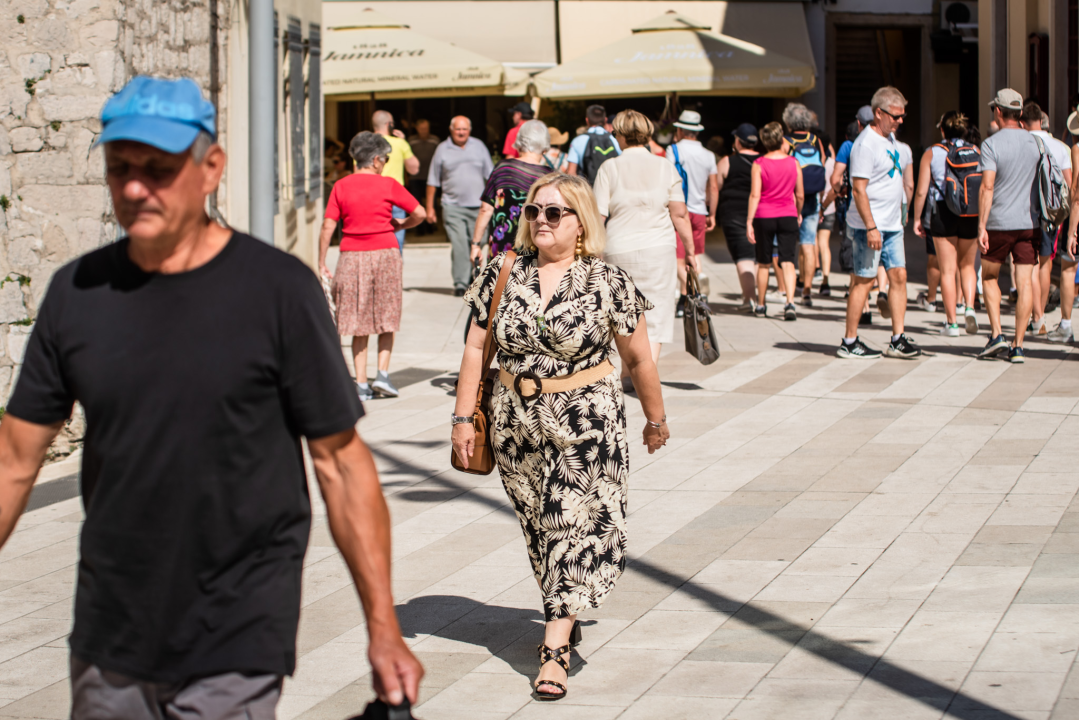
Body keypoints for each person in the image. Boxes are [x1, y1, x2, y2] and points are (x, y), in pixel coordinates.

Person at [0, 76, 423, 718]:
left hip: (238, 625)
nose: (136, 188)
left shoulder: (277, 291)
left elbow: (340, 463)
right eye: (120, 170)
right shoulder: (77, 294)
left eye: (159, 169)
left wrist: (383, 626)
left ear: (211, 169)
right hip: (111, 625)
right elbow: (13, 460)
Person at [452, 173, 669, 702]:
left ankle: (553, 651)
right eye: (534, 211)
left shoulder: (607, 280)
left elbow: (638, 357)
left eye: (554, 213)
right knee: (537, 523)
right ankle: (563, 603)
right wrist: (462, 419)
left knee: (566, 520)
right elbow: (476, 349)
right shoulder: (502, 270)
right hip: (513, 420)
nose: (541, 221)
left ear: (580, 222)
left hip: (586, 420)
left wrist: (656, 419)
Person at [593, 110, 696, 389]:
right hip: (658, 249)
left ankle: (629, 374)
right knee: (657, 315)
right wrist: (690, 251)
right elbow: (679, 214)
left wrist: (592, 253)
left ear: (621, 136)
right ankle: (645, 377)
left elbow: (598, 216)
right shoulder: (666, 167)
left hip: (618, 248)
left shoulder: (609, 168)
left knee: (624, 313)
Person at [320, 132, 426, 400]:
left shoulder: (341, 186)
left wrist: (321, 261)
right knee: (386, 314)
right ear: (377, 160)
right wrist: (402, 224)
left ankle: (361, 384)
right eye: (386, 158)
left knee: (358, 321)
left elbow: (328, 226)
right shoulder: (388, 185)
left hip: (352, 256)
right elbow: (420, 213)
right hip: (386, 253)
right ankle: (383, 376)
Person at [839, 86, 921, 360]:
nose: (900, 121)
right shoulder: (865, 144)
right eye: (895, 116)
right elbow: (859, 189)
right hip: (868, 226)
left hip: (892, 225)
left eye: (902, 116)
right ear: (878, 113)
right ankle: (849, 341)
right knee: (864, 280)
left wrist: (903, 211)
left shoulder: (892, 141)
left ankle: (897, 338)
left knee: (899, 276)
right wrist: (871, 227)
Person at [976, 88, 1042, 363]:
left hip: (999, 223)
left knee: (989, 276)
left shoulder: (992, 144)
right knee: (1025, 282)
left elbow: (987, 186)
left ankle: (996, 334)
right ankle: (1018, 346)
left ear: (999, 112)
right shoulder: (1037, 143)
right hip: (1029, 223)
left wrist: (981, 225)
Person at [913, 112, 981, 337]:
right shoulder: (976, 152)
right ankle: (969, 307)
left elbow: (922, 190)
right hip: (971, 212)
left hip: (943, 212)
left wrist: (917, 219)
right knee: (968, 266)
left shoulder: (932, 153)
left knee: (948, 270)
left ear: (942, 130)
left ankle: (951, 324)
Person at [426, 116, 494, 296]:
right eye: (458, 129)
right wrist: (430, 208)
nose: (461, 132)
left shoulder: (479, 146)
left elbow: (491, 176)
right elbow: (432, 180)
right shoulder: (442, 149)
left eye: (464, 129)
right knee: (460, 245)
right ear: (451, 130)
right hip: (452, 206)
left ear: (469, 130)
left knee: (477, 244)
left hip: (479, 208)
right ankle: (460, 283)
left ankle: (474, 276)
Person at [1022, 102, 1073, 337]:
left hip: (1025, 213)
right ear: (1042, 121)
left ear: (1023, 122)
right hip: (1051, 215)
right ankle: (1039, 315)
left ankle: (1037, 317)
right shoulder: (1061, 147)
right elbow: (1071, 187)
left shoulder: (1022, 144)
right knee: (1045, 264)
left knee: (1027, 266)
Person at [471, 119, 552, 261]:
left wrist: (476, 245)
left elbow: (485, 209)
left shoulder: (503, 169)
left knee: (501, 282)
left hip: (502, 252)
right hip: (537, 251)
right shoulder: (551, 177)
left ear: (519, 143)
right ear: (545, 147)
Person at [746, 122, 803, 320]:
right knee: (788, 261)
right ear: (781, 140)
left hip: (764, 215)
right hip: (788, 213)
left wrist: (749, 221)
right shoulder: (793, 163)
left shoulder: (759, 164)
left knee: (763, 262)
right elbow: (800, 194)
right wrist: (799, 212)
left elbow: (755, 194)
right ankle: (790, 303)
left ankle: (761, 305)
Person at [666, 110, 718, 317]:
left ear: (680, 129)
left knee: (679, 259)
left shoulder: (673, 150)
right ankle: (693, 291)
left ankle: (691, 294)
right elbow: (713, 188)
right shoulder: (708, 154)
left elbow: (668, 179)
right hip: (699, 210)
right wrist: (712, 213)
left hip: (680, 210)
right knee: (694, 254)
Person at [782, 103, 827, 307]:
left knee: (789, 245)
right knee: (809, 243)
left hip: (790, 198)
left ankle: (790, 287)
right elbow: (823, 163)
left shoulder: (786, 141)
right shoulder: (815, 140)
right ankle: (807, 290)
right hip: (812, 198)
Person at [717, 123, 761, 310]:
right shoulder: (764, 161)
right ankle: (754, 296)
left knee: (743, 257)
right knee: (756, 256)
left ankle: (749, 299)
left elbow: (716, 186)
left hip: (733, 215)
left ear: (738, 141)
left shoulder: (727, 161)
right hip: (759, 213)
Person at [372, 110, 420, 252]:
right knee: (396, 241)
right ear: (389, 125)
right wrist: (404, 143)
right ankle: (394, 270)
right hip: (395, 199)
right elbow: (414, 169)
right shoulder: (399, 143)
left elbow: (358, 172)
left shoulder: (364, 146)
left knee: (373, 239)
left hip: (372, 198)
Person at [1054, 139, 1079, 343]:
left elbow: (1076, 193)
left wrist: (1071, 232)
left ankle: (1066, 324)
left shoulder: (1077, 149)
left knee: (1068, 268)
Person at [567, 104, 621, 182]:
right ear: (605, 120)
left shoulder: (577, 141)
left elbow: (571, 173)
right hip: (612, 188)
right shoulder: (616, 140)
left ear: (587, 120)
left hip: (588, 190)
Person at [408, 119, 441, 236]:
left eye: (426, 128)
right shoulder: (411, 141)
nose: (424, 131)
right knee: (416, 204)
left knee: (431, 203)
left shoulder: (435, 141)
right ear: (417, 129)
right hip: (415, 178)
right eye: (422, 128)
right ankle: (419, 229)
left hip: (431, 178)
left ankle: (431, 226)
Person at [817, 130, 837, 297]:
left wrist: (820, 208)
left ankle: (807, 281)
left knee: (811, 244)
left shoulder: (812, 163)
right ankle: (825, 280)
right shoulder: (833, 163)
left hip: (815, 208)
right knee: (824, 245)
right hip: (829, 208)